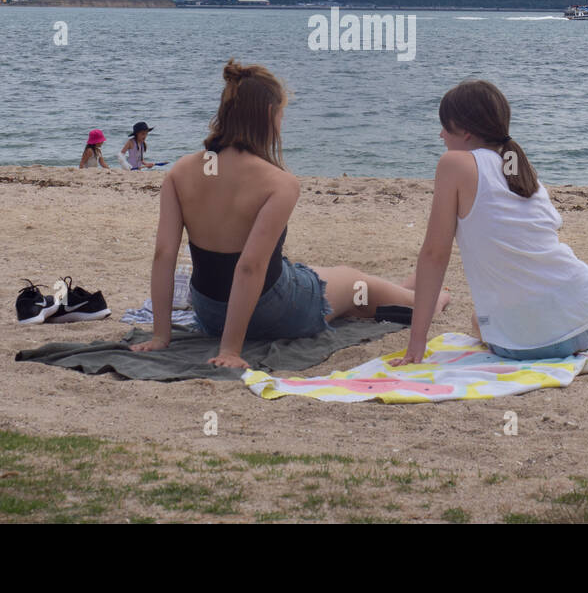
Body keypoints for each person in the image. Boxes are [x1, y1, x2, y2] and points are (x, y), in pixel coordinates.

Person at [132, 58, 449, 368]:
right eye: (282, 113)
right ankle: (432, 301)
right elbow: (249, 267)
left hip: (211, 311)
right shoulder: (278, 182)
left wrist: (162, 335)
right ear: (270, 114)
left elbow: (164, 255)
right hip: (272, 308)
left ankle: (407, 289)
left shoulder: (181, 172)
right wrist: (231, 349)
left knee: (327, 275)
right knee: (354, 283)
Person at [393, 79, 588, 365]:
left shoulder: (454, 163)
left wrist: (416, 343)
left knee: (482, 321)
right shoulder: (520, 169)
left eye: (444, 126)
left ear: (463, 130)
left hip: (524, 344)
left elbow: (434, 255)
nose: (440, 134)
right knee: (510, 312)